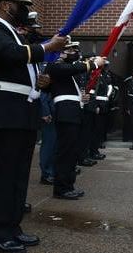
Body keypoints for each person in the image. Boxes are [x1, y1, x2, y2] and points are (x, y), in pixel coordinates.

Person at [0, 0, 66, 253]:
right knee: (3, 176)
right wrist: (48, 46)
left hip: (23, 112)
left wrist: (39, 80)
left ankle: (13, 228)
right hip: (6, 112)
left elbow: (19, 64)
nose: (25, 10)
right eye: (21, 5)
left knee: (18, 176)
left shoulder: (15, 35)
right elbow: (10, 55)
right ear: (5, 5)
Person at [45, 40, 105, 200]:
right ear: (62, 52)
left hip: (73, 111)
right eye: (71, 50)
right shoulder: (55, 66)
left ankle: (68, 185)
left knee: (71, 152)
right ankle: (61, 188)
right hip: (66, 113)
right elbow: (72, 68)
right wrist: (93, 64)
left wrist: (82, 97)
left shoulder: (67, 71)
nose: (75, 52)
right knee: (65, 152)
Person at [38, 88, 56, 185]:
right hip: (50, 115)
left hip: (57, 113)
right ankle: (46, 174)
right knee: (49, 144)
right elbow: (44, 94)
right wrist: (45, 112)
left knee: (54, 145)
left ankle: (52, 172)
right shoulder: (51, 72)